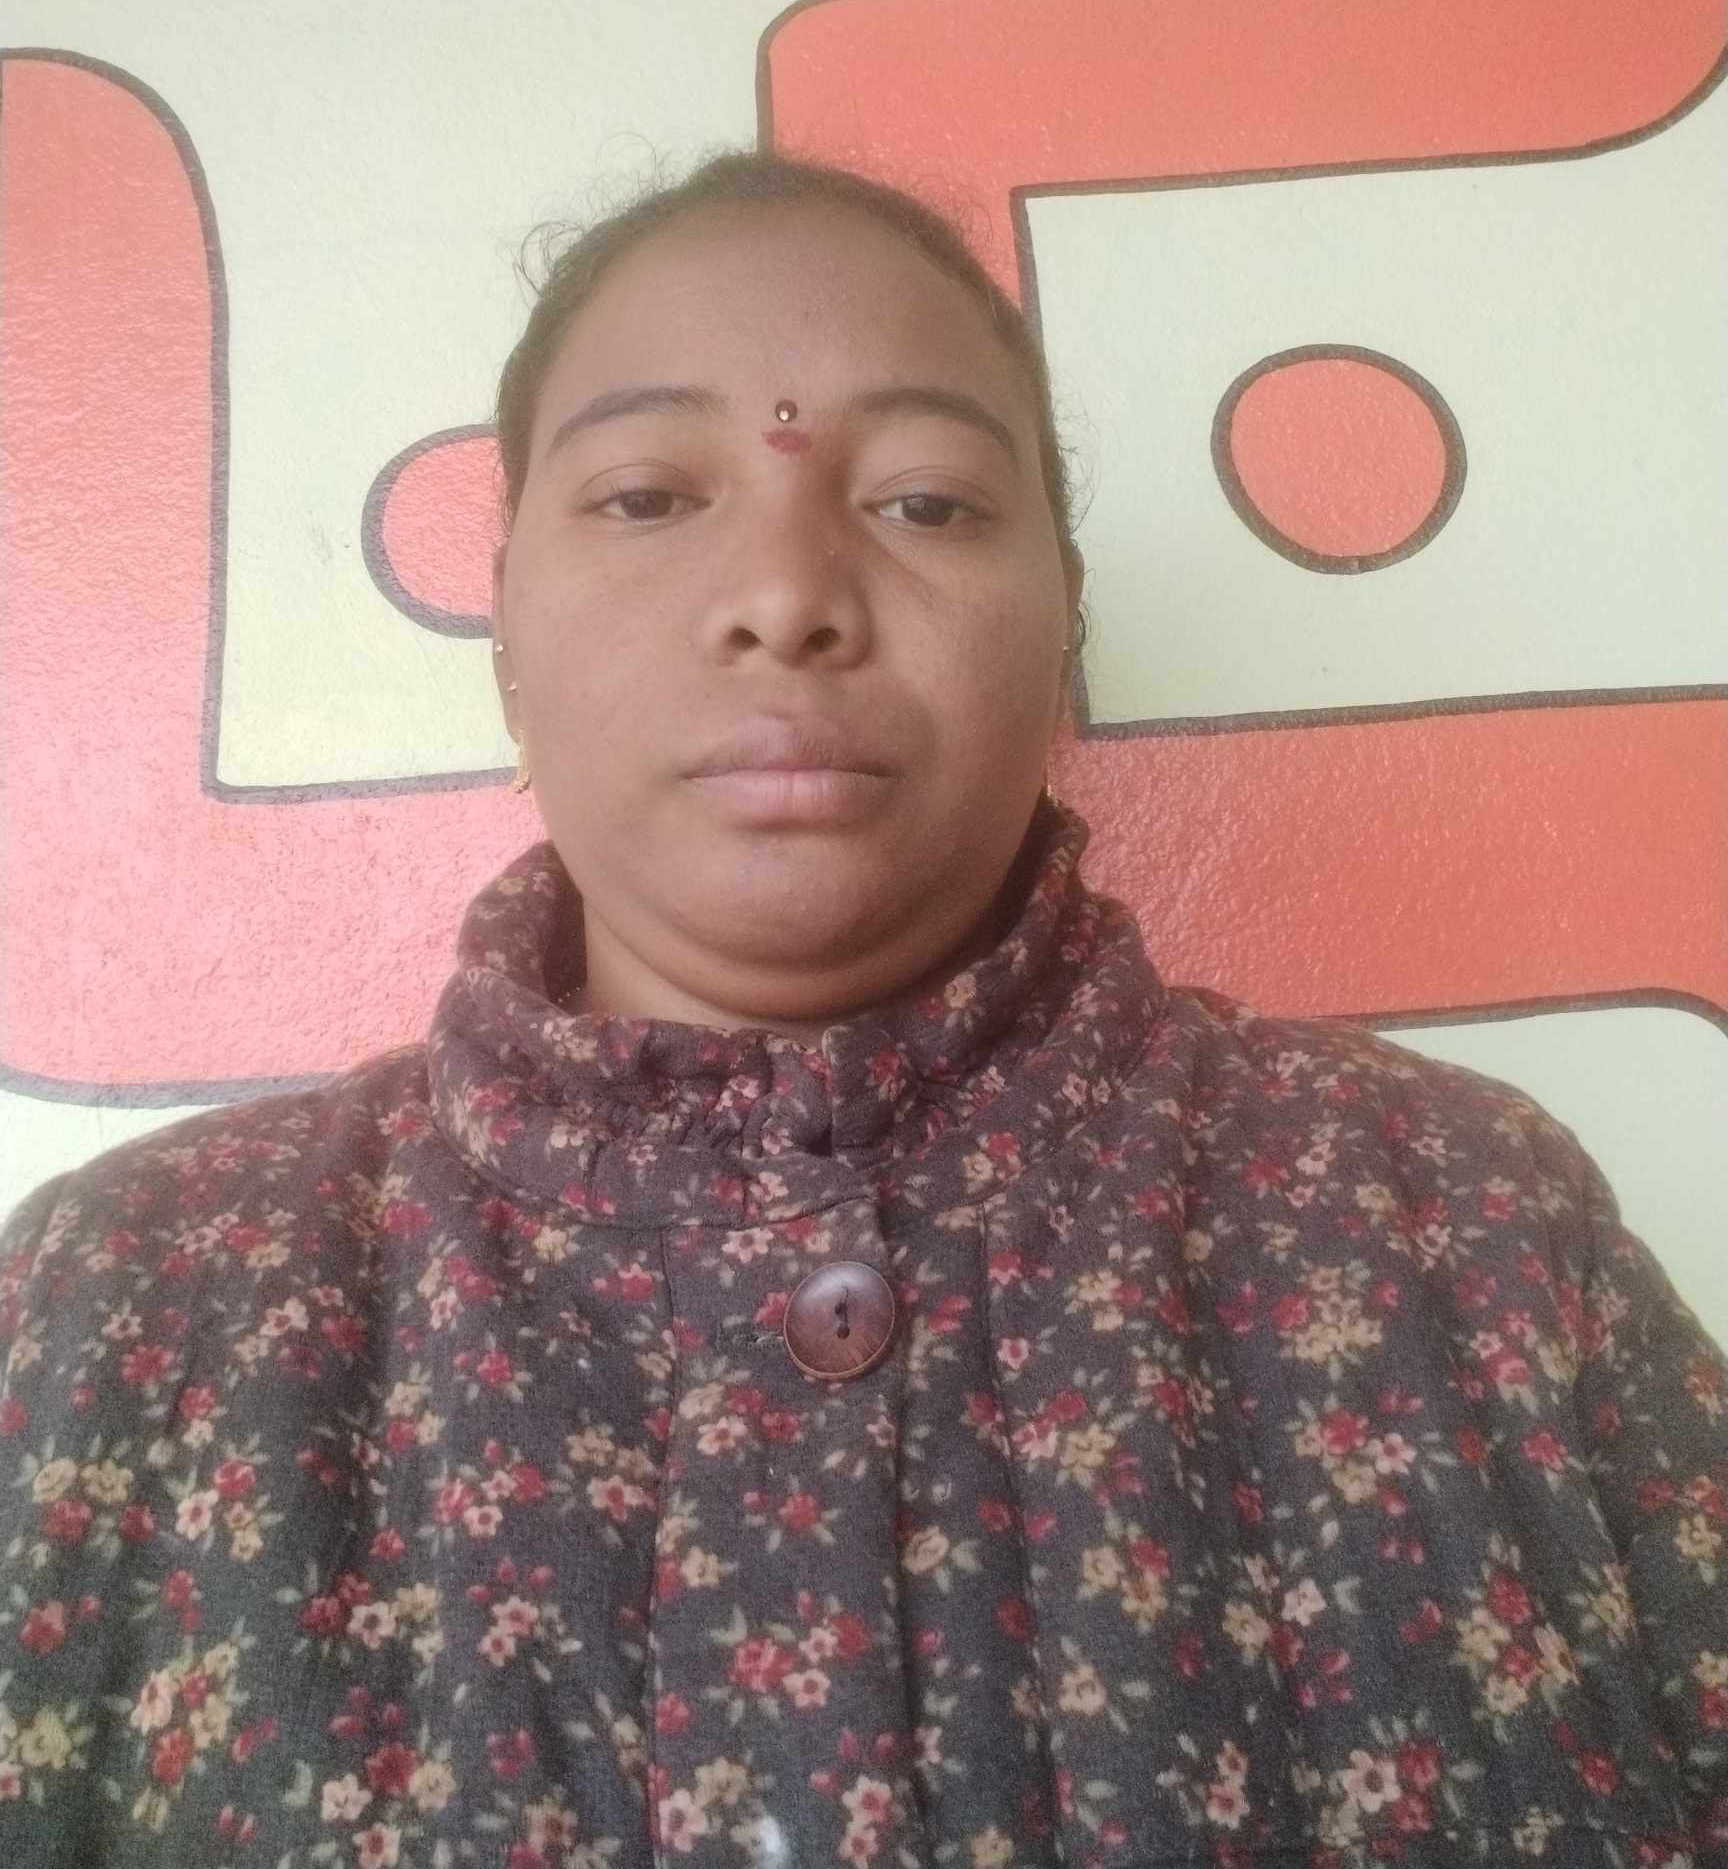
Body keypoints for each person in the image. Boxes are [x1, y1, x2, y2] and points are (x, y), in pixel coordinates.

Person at [0, 152, 1723, 1869]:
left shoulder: (1465, 1223)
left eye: (926, 502)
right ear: (506, 624)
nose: (789, 598)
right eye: (645, 497)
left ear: (1065, 624)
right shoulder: (118, 1302)